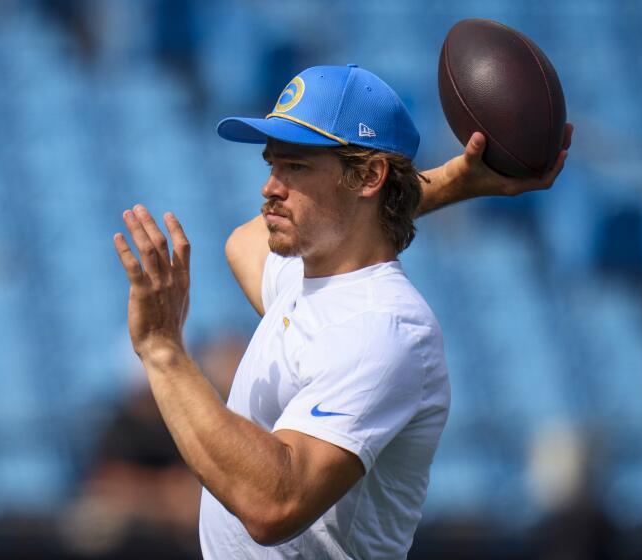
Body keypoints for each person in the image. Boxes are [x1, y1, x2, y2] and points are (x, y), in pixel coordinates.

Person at [112, 64, 573, 558]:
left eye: (297, 167)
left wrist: (163, 352)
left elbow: (273, 504)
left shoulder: (384, 328)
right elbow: (242, 243)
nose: (270, 187)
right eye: (272, 164)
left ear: (369, 176)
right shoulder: (307, 280)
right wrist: (453, 180)